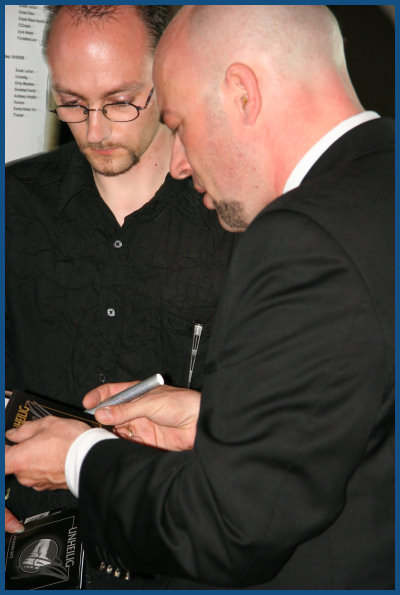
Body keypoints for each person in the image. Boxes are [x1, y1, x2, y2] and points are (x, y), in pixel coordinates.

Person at [6, 5, 394, 589]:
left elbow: (229, 527)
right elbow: (355, 411)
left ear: (241, 93)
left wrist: (77, 456)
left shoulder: (299, 238)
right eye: (71, 102)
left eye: (179, 123)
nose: (181, 161)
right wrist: (213, 420)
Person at [5, 4, 235, 590]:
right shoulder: (13, 203)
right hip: (33, 558)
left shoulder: (238, 219)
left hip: (185, 558)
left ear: (169, 79)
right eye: (73, 103)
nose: (96, 129)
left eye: (120, 100)